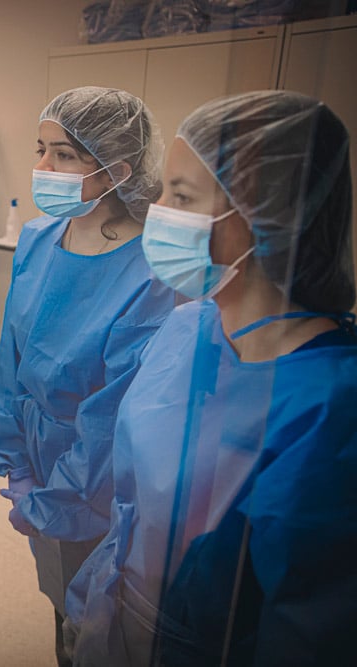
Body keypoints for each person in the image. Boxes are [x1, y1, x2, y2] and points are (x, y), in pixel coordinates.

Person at [64, 91, 357, 667]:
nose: (159, 208)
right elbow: (137, 509)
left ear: (267, 212)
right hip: (123, 617)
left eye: (182, 195)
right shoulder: (189, 327)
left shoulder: (331, 407)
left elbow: (305, 629)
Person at [0, 86, 174, 666]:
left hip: (98, 480)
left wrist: (56, 500)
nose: (42, 168)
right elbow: (10, 360)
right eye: (40, 149)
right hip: (37, 460)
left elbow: (112, 419)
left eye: (63, 155)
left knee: (95, 617)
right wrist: (15, 460)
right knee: (57, 601)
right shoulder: (39, 239)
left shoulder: (150, 271)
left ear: (115, 170)